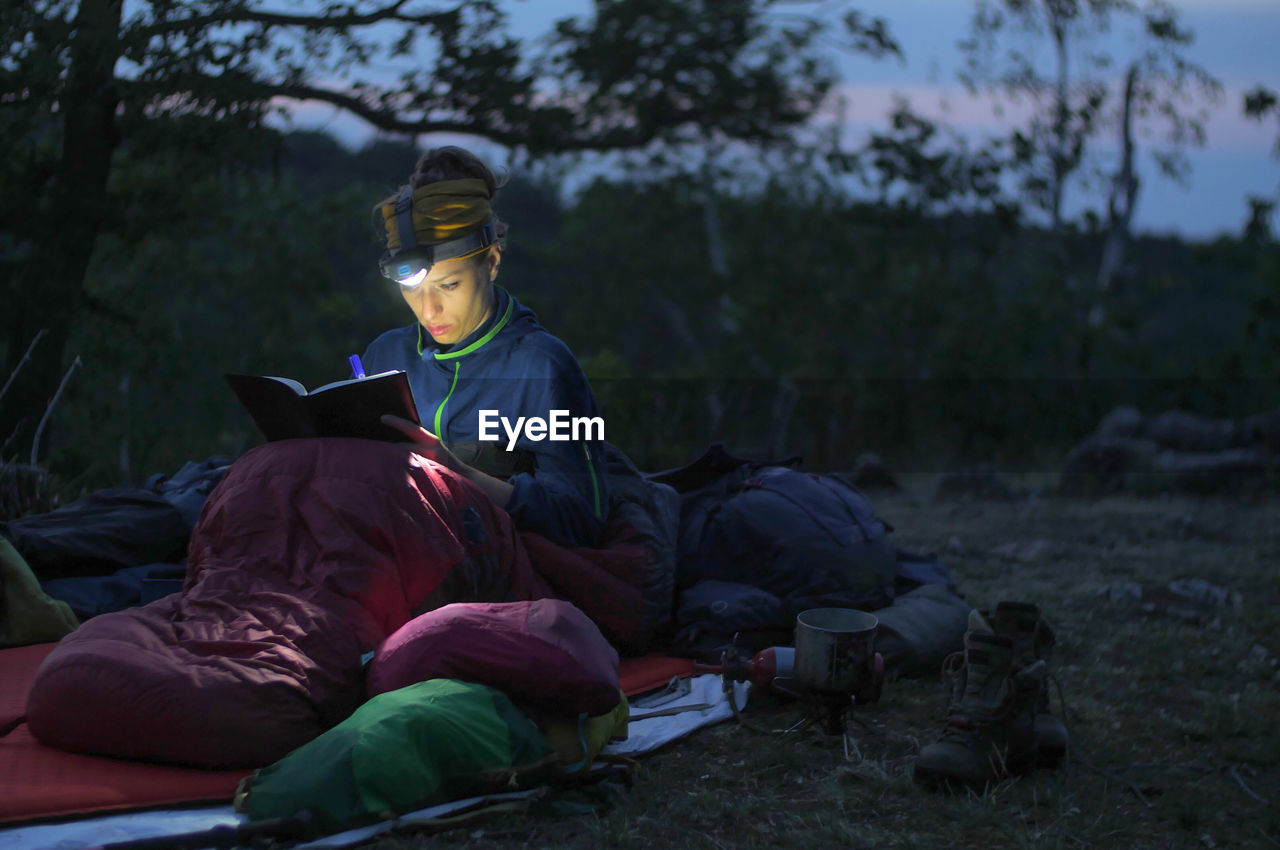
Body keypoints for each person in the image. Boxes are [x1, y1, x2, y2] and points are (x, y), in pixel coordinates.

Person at [362, 146, 609, 548]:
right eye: (413, 289)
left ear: (492, 261)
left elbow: (583, 519)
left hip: (482, 565)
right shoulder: (385, 357)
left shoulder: (542, 368)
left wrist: (459, 475)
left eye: (449, 285)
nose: (429, 310)